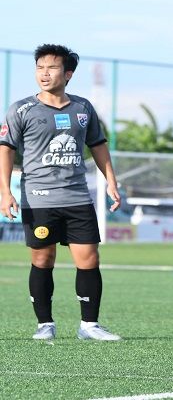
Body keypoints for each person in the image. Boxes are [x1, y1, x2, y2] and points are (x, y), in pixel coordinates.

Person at [0, 44, 122, 341]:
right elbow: (6, 149)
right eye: (40, 67)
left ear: (67, 74)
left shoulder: (83, 108)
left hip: (78, 197)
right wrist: (5, 191)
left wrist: (111, 181)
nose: (44, 73)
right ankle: (45, 324)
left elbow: (98, 145)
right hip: (39, 198)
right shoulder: (22, 109)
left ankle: (89, 326)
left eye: (52, 68)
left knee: (90, 258)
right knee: (43, 260)